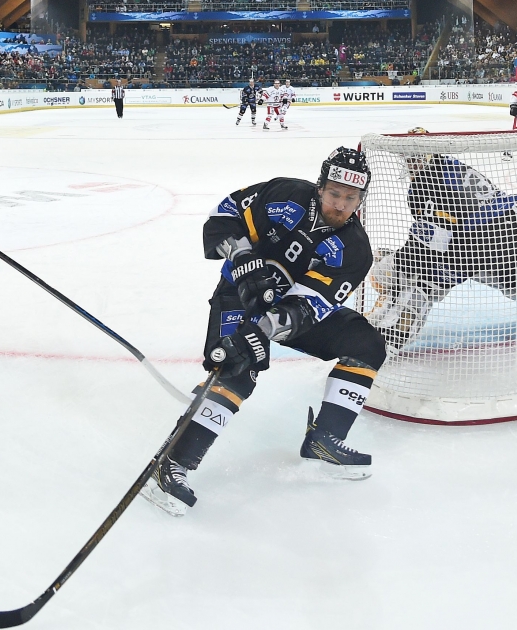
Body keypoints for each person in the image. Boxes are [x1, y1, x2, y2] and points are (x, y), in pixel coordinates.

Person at [142, 146, 383, 516]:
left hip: (287, 314)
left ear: (360, 200)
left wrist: (262, 329)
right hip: (236, 296)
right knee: (239, 370)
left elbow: (309, 306)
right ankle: (172, 464)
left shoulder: (354, 250)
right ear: (320, 188)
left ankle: (324, 438)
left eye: (351, 199)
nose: (340, 205)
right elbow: (224, 214)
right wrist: (240, 254)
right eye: (335, 193)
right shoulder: (285, 195)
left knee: (367, 344)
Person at [366, 131, 517, 351]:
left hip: (478, 241)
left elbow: (432, 242)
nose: (411, 164)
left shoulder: (422, 185)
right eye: (409, 159)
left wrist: (395, 266)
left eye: (415, 158)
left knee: (425, 284)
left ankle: (384, 343)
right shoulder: (452, 165)